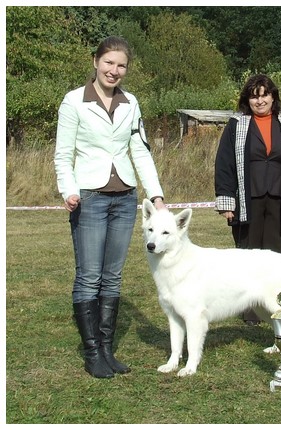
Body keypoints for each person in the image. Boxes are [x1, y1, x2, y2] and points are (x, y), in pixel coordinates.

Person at [54, 36, 166, 378]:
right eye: (109, 63)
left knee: (113, 277)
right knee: (89, 277)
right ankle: (92, 353)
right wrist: (68, 190)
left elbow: (141, 151)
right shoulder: (74, 102)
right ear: (95, 62)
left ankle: (107, 349)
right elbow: (63, 153)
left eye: (121, 65)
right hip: (88, 197)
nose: (114, 70)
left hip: (125, 197)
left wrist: (156, 195)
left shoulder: (131, 103)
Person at [215, 74, 281, 325]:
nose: (259, 101)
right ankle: (249, 311)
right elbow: (224, 163)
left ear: (273, 96)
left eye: (264, 95)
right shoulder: (237, 124)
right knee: (247, 255)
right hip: (247, 200)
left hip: (280, 199)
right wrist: (227, 202)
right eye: (254, 96)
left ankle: (277, 304)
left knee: (276, 255)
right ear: (247, 99)